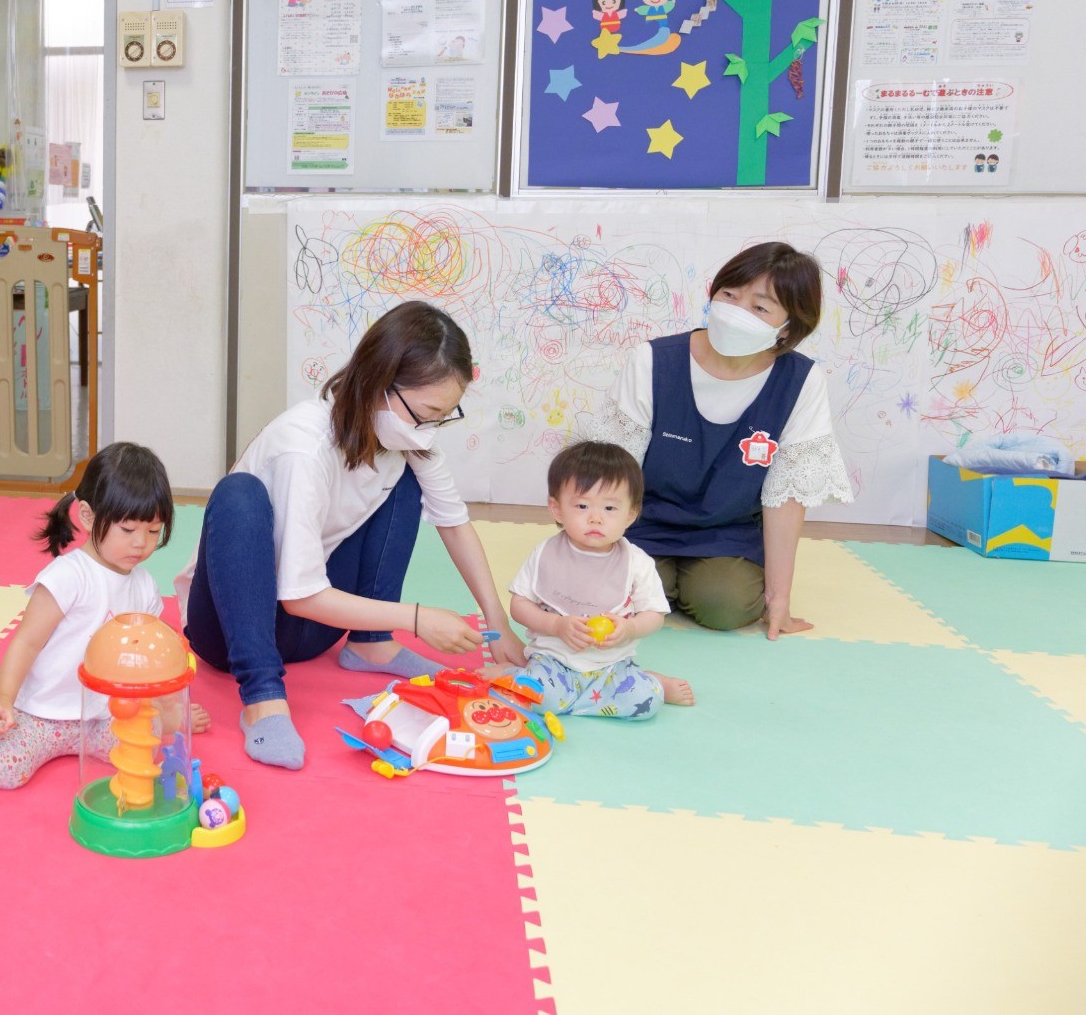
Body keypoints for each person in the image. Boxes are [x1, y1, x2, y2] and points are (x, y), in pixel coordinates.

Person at [179, 302, 527, 772]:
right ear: (379, 382)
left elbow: (453, 521)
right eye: (426, 414)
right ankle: (262, 698)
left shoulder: (405, 436)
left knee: (409, 475)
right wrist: (417, 618)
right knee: (238, 494)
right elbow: (299, 594)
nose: (427, 430)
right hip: (230, 631)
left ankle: (370, 644)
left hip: (310, 626)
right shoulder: (304, 446)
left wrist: (497, 621)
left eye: (442, 417)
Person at [0, 443, 208, 788]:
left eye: (153, 531)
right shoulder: (68, 576)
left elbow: (150, 653)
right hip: (44, 715)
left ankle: (164, 720)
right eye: (128, 530)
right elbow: (26, 642)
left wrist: (168, 707)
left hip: (105, 715)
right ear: (88, 517)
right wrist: (3, 701)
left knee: (148, 747)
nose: (141, 543)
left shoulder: (144, 585)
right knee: (6, 769)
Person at [589, 243, 854, 639]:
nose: (736, 311)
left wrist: (779, 599)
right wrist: (589, 555)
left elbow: (785, 496)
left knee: (726, 604)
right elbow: (610, 470)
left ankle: (677, 584)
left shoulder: (800, 382)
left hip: (727, 533)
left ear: (787, 327)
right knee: (616, 594)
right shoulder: (653, 361)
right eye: (729, 295)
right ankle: (659, 580)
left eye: (759, 307)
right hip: (640, 522)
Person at [492, 441, 693, 719]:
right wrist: (556, 625)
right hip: (553, 661)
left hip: (612, 667)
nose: (596, 518)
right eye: (583, 505)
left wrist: (630, 628)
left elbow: (654, 614)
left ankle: (651, 681)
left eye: (610, 508)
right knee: (538, 699)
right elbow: (519, 605)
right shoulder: (546, 553)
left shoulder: (636, 562)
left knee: (644, 702)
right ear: (557, 509)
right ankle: (517, 675)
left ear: (630, 514)